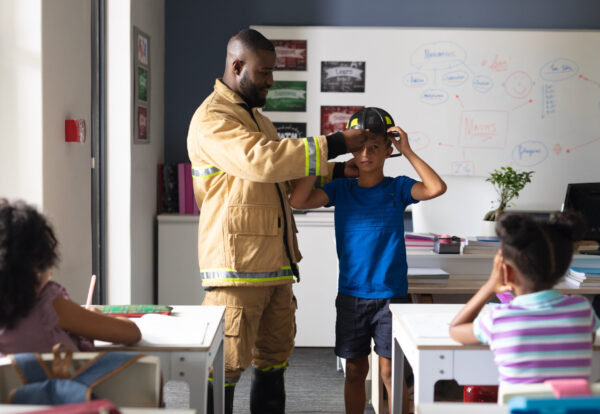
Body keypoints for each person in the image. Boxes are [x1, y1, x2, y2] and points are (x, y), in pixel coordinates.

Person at [186, 28, 374, 414]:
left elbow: (286, 178)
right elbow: (262, 161)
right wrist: (337, 142)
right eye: (264, 72)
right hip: (236, 268)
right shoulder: (213, 119)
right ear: (237, 66)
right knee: (226, 363)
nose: (271, 81)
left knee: (274, 358)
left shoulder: (258, 120)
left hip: (274, 265)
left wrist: (340, 173)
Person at [289, 107, 447, 414]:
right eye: (359, 146)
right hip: (352, 296)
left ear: (388, 150)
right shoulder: (341, 189)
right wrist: (322, 157)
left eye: (374, 146)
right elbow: (298, 201)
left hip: (391, 297)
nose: (366, 154)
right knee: (355, 371)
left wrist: (408, 151)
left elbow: (436, 187)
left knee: (390, 372)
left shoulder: (398, 188)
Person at [449, 212, 600, 389]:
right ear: (564, 267)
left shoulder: (499, 319)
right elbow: (586, 341)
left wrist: (490, 285)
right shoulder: (582, 310)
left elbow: (455, 329)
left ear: (506, 271)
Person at [0, 199, 141, 356]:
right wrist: (95, 317)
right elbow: (131, 333)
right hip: (71, 380)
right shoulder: (51, 308)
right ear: (38, 264)